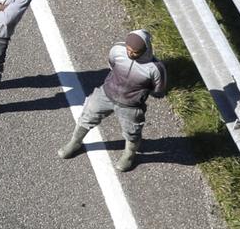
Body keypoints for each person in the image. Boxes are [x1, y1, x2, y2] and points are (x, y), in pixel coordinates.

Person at [60, 29, 169, 172]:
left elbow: (158, 89)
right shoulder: (117, 50)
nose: (130, 54)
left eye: (135, 52)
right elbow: (112, 64)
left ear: (145, 50)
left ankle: (129, 155)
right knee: (87, 115)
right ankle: (75, 142)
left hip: (131, 106)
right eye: (128, 50)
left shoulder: (155, 68)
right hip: (106, 93)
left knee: (132, 131)